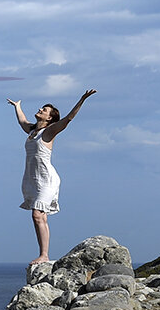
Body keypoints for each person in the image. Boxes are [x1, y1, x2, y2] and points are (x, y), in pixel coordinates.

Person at [7, 90, 96, 264]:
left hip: (47, 179)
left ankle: (44, 255)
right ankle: (44, 254)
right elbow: (22, 121)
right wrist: (17, 107)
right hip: (33, 179)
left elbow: (68, 119)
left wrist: (82, 99)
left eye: (45, 110)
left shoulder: (49, 132)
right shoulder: (32, 131)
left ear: (49, 118)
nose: (41, 109)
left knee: (37, 214)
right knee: (41, 217)